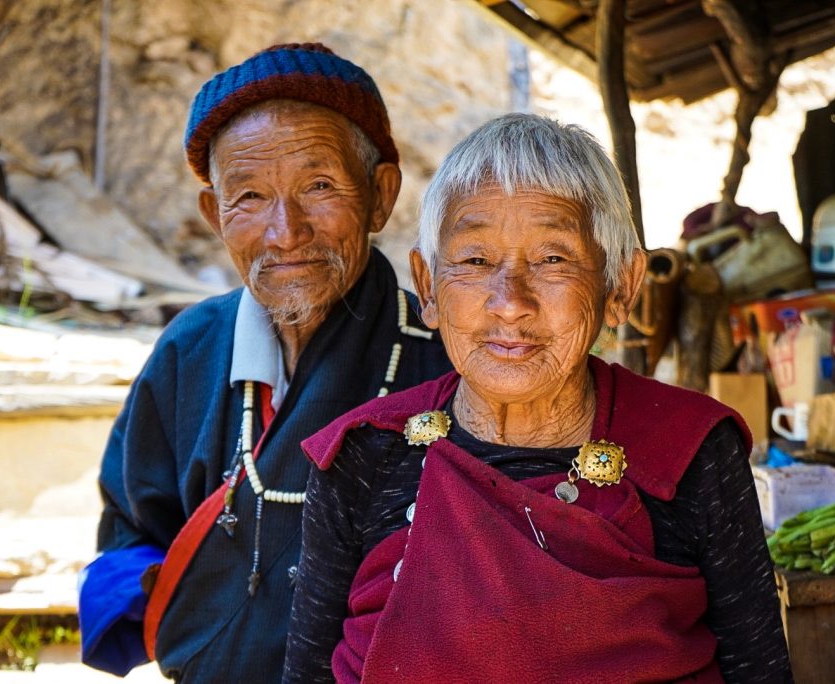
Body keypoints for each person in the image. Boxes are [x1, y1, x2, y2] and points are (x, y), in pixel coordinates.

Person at [284, 113, 793, 683]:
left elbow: (760, 673)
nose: (509, 302)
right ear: (427, 287)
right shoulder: (363, 456)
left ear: (619, 287)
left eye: (553, 260)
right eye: (475, 261)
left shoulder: (689, 452)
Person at [77, 43, 452, 682]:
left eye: (319, 186)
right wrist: (196, 612)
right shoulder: (189, 349)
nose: (285, 231)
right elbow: (130, 526)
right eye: (249, 195)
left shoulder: (442, 354)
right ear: (213, 215)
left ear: (380, 195)